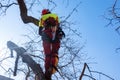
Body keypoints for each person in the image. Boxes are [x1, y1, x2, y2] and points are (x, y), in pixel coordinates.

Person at [38, 9, 65, 80]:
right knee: (55, 51)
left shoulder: (42, 18)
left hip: (46, 33)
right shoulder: (55, 16)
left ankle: (47, 69)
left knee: (47, 53)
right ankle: (52, 67)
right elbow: (58, 25)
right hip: (56, 32)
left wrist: (42, 33)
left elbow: (40, 30)